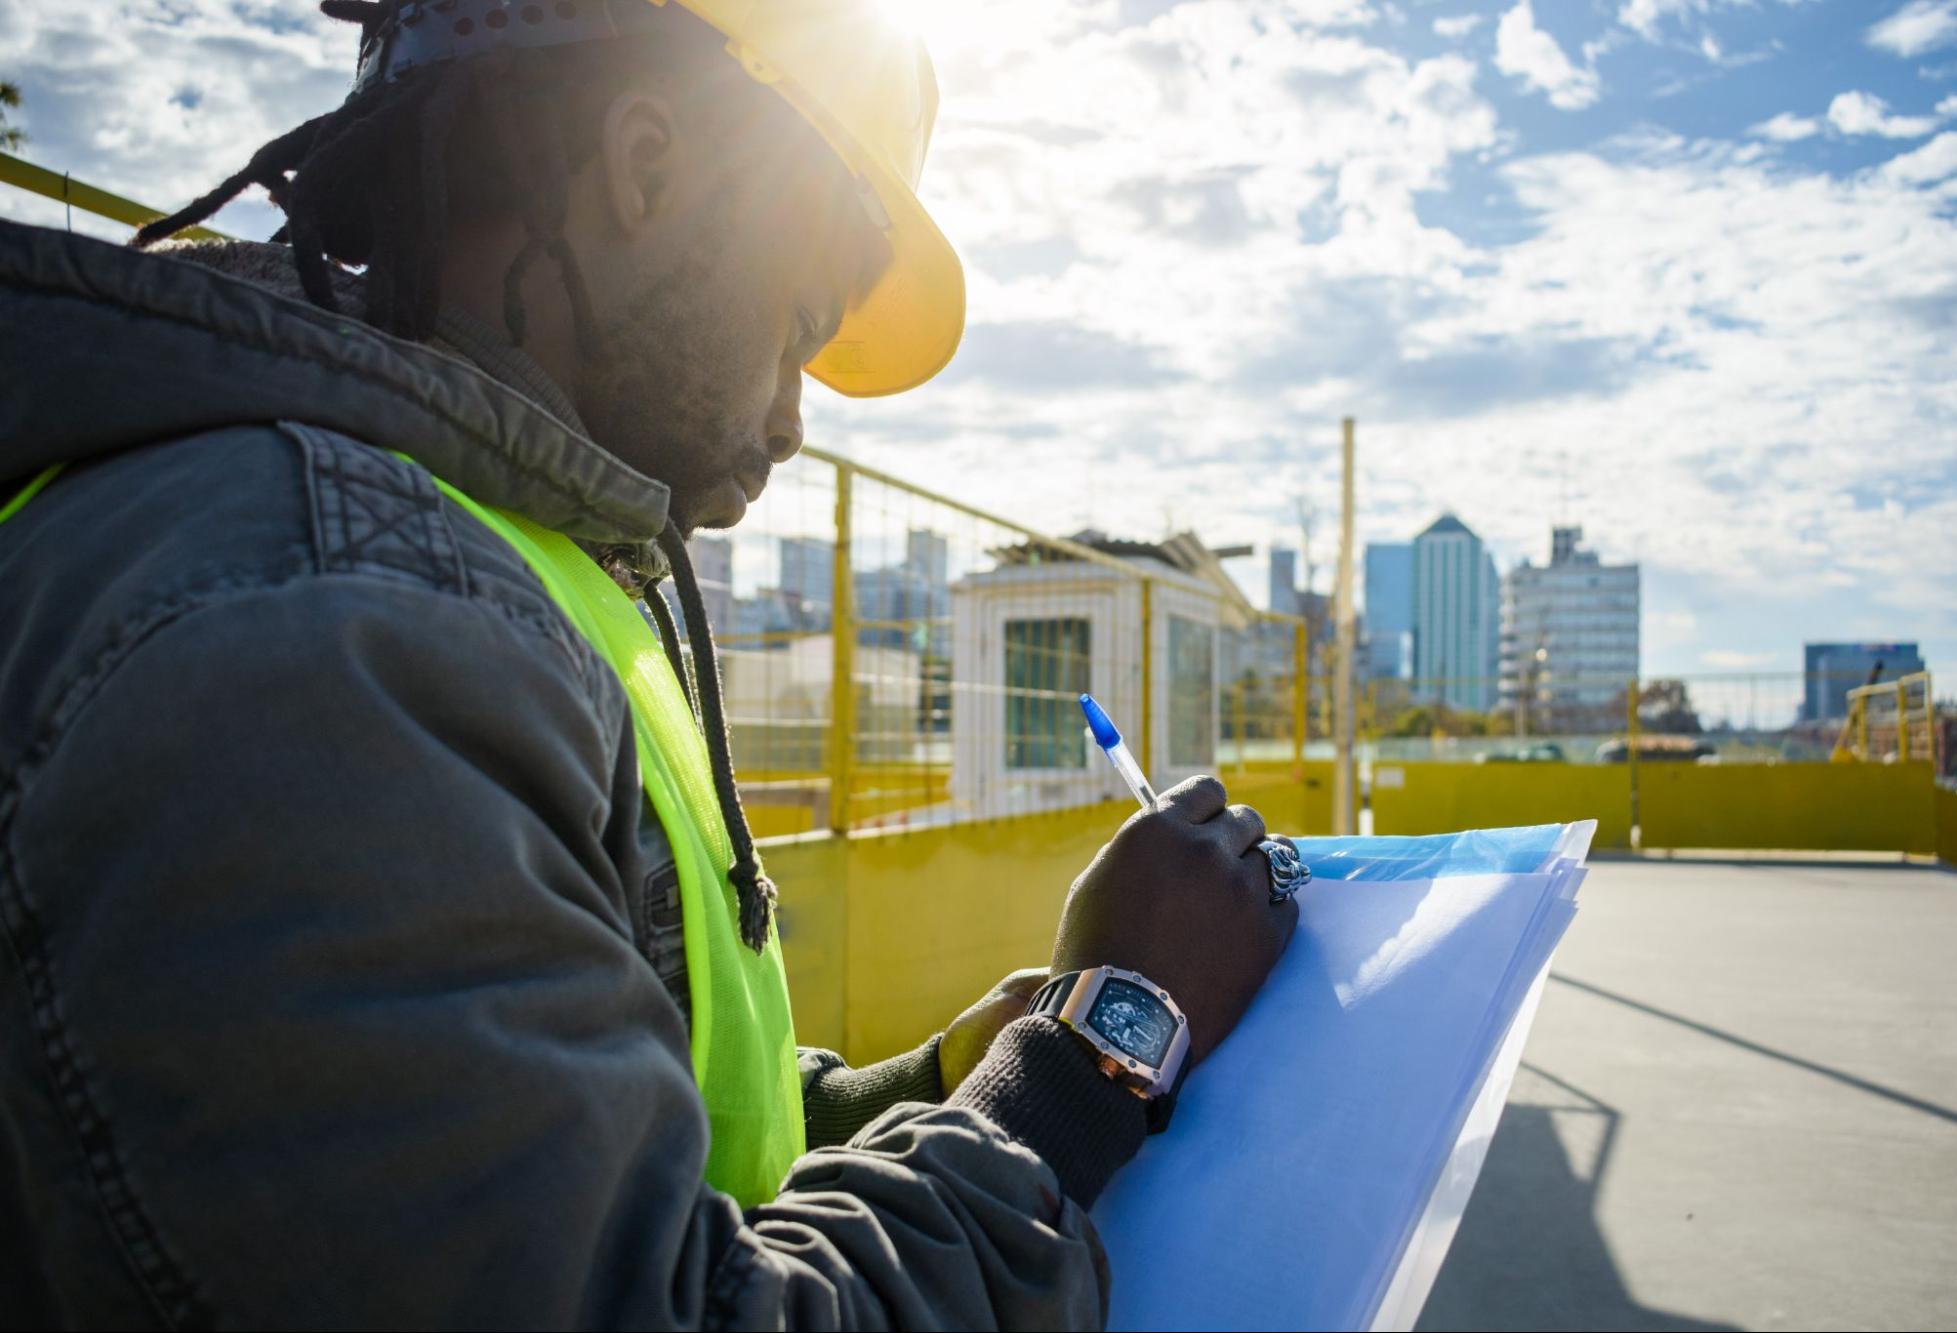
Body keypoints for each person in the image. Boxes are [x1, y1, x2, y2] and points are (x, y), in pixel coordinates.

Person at [0, 2, 1297, 1326]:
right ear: (647, 166)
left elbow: (626, 1102)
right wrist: (1087, 1060)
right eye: (796, 323)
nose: (795, 415)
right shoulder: (325, 631)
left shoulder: (491, 568)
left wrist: (929, 1085)